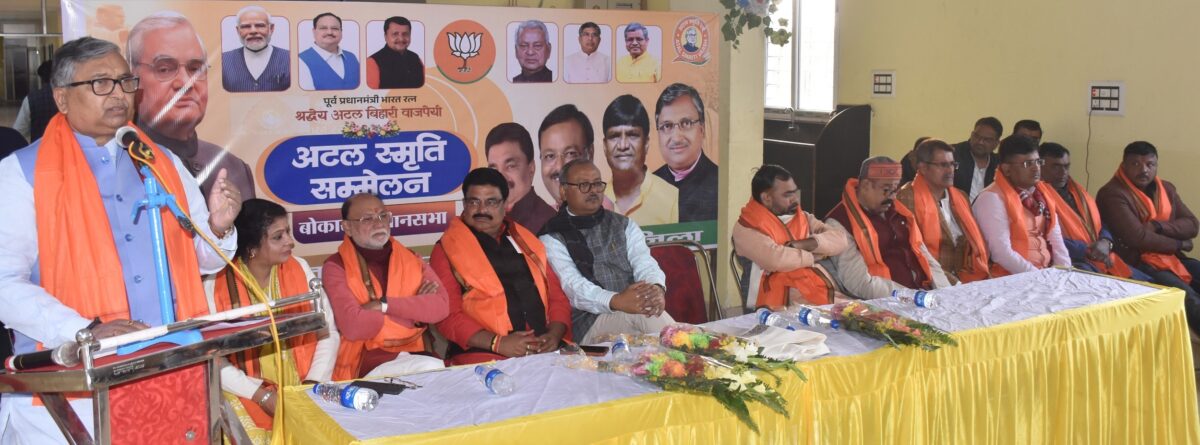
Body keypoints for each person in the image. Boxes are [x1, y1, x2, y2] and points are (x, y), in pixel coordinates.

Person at [0, 37, 241, 443]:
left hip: (167, 372)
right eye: (100, 83)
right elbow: (4, 282)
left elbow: (203, 260)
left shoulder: (159, 161)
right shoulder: (20, 172)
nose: (118, 94)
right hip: (70, 389)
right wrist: (83, 331)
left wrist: (218, 227)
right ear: (61, 98)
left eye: (125, 82)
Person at [204, 199, 337, 443]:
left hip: (306, 389)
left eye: (288, 232)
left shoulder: (300, 268)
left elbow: (328, 332)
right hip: (244, 393)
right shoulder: (216, 284)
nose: (290, 241)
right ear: (252, 247)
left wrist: (312, 385)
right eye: (278, 236)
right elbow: (212, 357)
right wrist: (261, 396)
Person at [432, 168, 572, 365]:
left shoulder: (526, 241)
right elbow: (446, 316)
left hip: (544, 349)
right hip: (483, 355)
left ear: (505, 204)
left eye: (491, 202)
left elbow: (557, 297)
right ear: (464, 204)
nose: (481, 210)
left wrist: (554, 335)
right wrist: (498, 343)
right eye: (474, 202)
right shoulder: (446, 250)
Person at [539, 159, 675, 344]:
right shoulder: (552, 237)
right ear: (563, 191)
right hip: (587, 322)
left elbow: (644, 263)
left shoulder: (623, 224)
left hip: (633, 306)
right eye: (584, 185)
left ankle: (687, 347)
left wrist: (655, 289)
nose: (593, 191)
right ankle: (690, 348)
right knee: (645, 315)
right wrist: (617, 300)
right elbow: (574, 288)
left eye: (597, 184)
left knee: (647, 314)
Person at [129, 12, 256, 200]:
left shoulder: (233, 168)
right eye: (164, 69)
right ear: (132, 78)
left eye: (195, 69)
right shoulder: (119, 164)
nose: (185, 83)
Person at [323, 193, 446, 379]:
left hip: (417, 350)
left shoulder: (411, 259)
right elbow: (355, 327)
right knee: (430, 368)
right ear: (347, 227)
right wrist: (414, 312)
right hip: (365, 361)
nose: (378, 224)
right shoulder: (335, 266)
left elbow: (440, 308)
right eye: (367, 219)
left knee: (434, 371)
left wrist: (382, 306)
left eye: (383, 216)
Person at [1097, 141, 1200, 331]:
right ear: (1124, 165)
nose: (1144, 170)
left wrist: (1158, 226)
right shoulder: (1112, 193)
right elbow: (1138, 238)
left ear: (1156, 165)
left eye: (1150, 164)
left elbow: (1193, 225)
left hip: (1172, 258)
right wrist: (1179, 244)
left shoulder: (1166, 188)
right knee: (1188, 298)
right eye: (1136, 164)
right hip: (1138, 263)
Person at [825, 157, 950, 299]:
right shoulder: (839, 223)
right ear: (865, 185)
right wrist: (911, 297)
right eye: (886, 190)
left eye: (895, 190)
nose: (892, 197)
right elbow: (858, 282)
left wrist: (945, 293)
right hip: (891, 302)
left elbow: (926, 257)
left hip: (925, 296)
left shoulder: (899, 212)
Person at [733, 165, 848, 308]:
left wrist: (806, 244)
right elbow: (776, 260)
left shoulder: (802, 217)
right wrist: (814, 256)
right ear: (766, 198)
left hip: (810, 295)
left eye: (795, 192)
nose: (796, 199)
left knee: (855, 312)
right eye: (787, 195)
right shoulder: (747, 226)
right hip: (770, 308)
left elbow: (841, 240)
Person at [1040, 142, 1146, 280]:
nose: (1063, 172)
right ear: (1039, 166)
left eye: (1066, 166)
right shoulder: (1037, 196)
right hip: (1070, 260)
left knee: (1150, 285)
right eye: (1056, 167)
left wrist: (1106, 241)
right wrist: (1088, 249)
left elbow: (1100, 222)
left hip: (1100, 254)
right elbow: (1043, 237)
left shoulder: (1077, 191)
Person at [896, 139, 990, 284]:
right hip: (931, 280)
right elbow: (914, 251)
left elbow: (975, 245)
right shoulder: (907, 197)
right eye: (943, 165)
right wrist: (955, 283)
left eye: (953, 164)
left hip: (967, 277)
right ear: (923, 168)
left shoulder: (961, 197)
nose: (950, 170)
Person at [972, 136, 1070, 276]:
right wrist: (1039, 277)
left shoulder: (1042, 194)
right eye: (1027, 164)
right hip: (1008, 278)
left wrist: (1064, 272)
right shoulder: (992, 198)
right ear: (1007, 169)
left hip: (1045, 274)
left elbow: (1056, 240)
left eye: (1038, 162)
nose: (1036, 168)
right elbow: (1001, 253)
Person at [602, 94, 678, 226]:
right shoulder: (595, 201)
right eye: (614, 136)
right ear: (604, 146)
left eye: (632, 135)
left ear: (646, 144)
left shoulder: (673, 199)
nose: (623, 145)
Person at [652, 83, 717, 222]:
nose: (676, 138)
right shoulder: (648, 186)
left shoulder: (721, 185)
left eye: (686, 123)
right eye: (667, 126)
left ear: (702, 129)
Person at [486, 122, 556, 233]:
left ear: (531, 169)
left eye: (510, 166)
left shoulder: (550, 226)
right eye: (494, 169)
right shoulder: (484, 223)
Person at [222, 6, 290, 92]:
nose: (253, 31)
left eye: (260, 25)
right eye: (246, 26)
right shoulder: (223, 61)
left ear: (271, 28)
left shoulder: (291, 59)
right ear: (238, 30)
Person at [538, 104, 595, 206]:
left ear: (590, 155)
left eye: (570, 154)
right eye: (550, 156)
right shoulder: (545, 214)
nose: (560, 167)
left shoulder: (612, 214)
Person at [299, 12, 360, 90]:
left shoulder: (351, 57)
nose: (329, 32)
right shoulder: (301, 61)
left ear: (341, 32)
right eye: (323, 28)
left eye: (335, 28)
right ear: (314, 31)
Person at [952, 116, 1002, 201]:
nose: (980, 142)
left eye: (987, 140)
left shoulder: (999, 164)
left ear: (996, 143)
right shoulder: (953, 155)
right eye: (977, 136)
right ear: (972, 134)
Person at [366, 16, 424, 89]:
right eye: (395, 34)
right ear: (385, 36)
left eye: (405, 34)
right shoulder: (372, 62)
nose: (401, 39)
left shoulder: (416, 58)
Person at [11, 61, 53, 143]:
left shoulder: (31, 99)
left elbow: (18, 132)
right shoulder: (69, 97)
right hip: (68, 148)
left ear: (41, 79)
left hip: (38, 148)